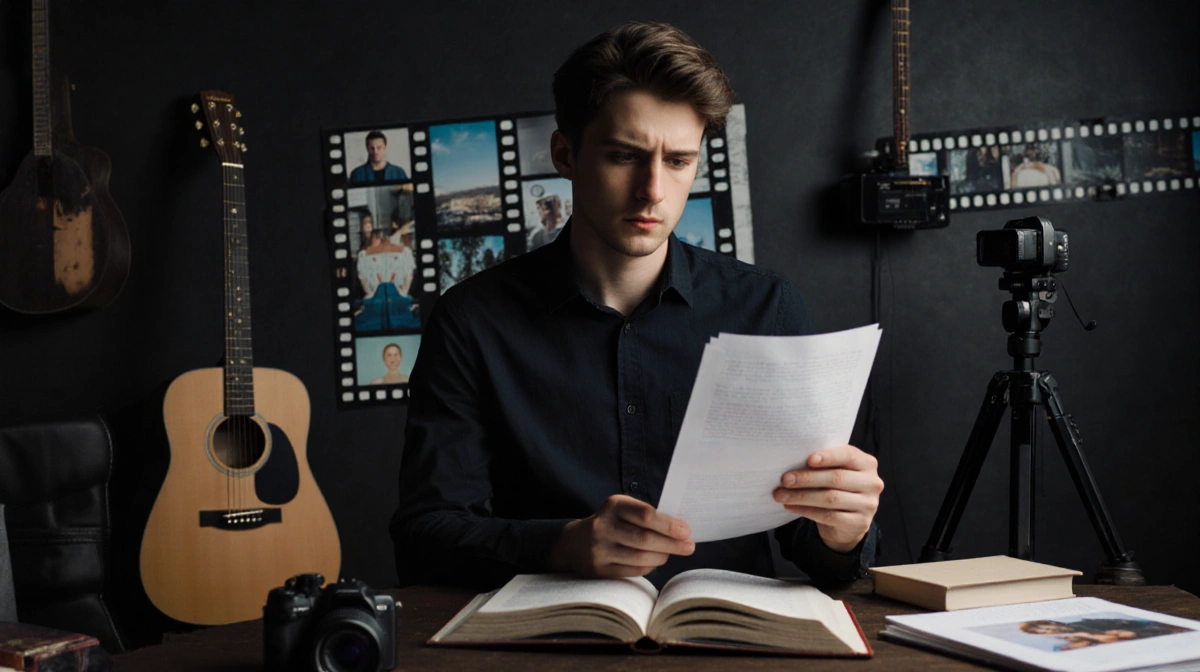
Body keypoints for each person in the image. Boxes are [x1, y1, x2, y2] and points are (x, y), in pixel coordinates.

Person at [391, 21, 882, 591]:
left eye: (678, 161)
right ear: (565, 153)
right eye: (625, 156)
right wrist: (559, 545)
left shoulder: (767, 307)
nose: (652, 189)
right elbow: (424, 537)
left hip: (727, 640)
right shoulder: (471, 321)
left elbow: (808, 542)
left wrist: (842, 532)